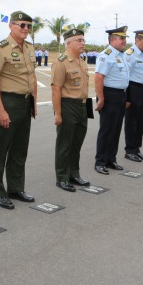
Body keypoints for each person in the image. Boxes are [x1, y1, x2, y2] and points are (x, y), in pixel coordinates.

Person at [0, 10, 37, 210]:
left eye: (28, 26)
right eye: (21, 25)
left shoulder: (30, 49)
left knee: (19, 149)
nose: (25, 29)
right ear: (11, 26)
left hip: (25, 103)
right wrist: (0, 110)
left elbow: (32, 77)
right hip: (7, 102)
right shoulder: (0, 49)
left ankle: (16, 188)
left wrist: (33, 104)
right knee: (0, 150)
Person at [51, 28, 91, 192]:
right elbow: (56, 89)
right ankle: (61, 178)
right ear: (69, 43)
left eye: (83, 40)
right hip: (68, 106)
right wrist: (58, 114)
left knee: (76, 144)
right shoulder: (61, 62)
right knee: (64, 144)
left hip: (83, 105)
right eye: (79, 40)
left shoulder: (82, 61)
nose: (83, 43)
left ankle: (74, 174)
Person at [93, 26, 130, 174]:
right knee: (107, 129)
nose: (124, 41)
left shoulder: (122, 55)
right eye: (121, 38)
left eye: (125, 38)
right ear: (112, 40)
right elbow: (98, 78)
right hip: (109, 95)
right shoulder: (105, 55)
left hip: (121, 94)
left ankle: (111, 159)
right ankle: (100, 162)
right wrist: (101, 98)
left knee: (116, 129)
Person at [124, 30, 143, 163]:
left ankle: (137, 149)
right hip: (133, 88)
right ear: (137, 40)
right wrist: (128, 98)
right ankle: (129, 150)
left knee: (141, 120)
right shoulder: (130, 54)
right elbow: (126, 76)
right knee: (132, 121)